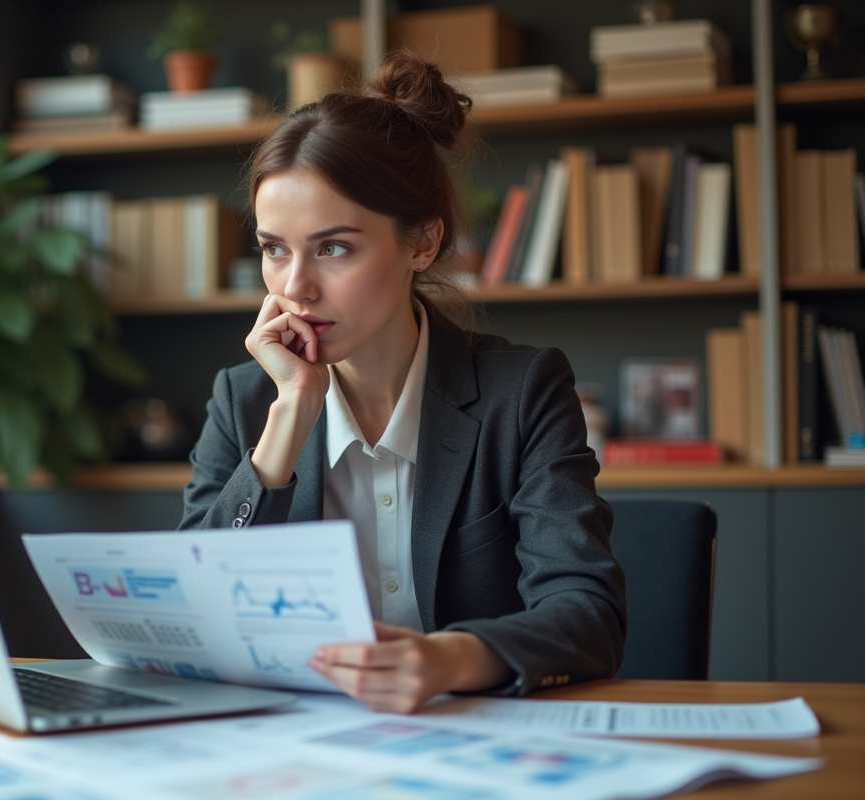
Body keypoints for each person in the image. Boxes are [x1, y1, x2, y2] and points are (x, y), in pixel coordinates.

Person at [179, 51, 626, 713]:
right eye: (275, 248)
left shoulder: (523, 391)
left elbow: (588, 615)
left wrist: (447, 657)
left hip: (476, 737)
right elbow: (190, 616)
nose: (295, 287)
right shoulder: (245, 400)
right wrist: (289, 420)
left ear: (420, 244)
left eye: (333, 247)